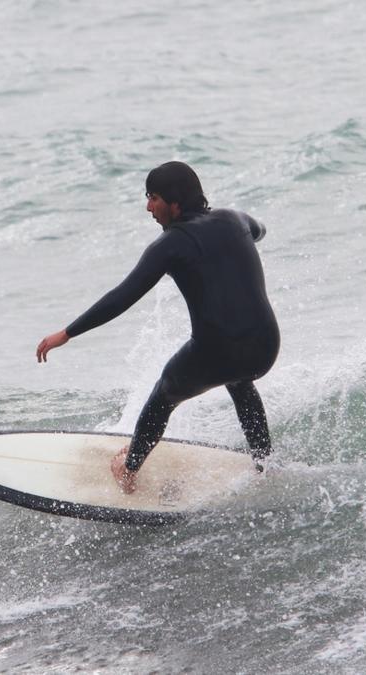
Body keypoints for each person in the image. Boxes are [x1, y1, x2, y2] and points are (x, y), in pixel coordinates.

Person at [36, 161, 280, 494]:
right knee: (239, 381)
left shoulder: (170, 245)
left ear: (175, 202)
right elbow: (259, 230)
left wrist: (67, 333)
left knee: (163, 394)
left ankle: (128, 470)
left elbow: (123, 296)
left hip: (218, 353)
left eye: (153, 198)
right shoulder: (233, 219)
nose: (148, 207)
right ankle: (265, 465)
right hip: (265, 348)